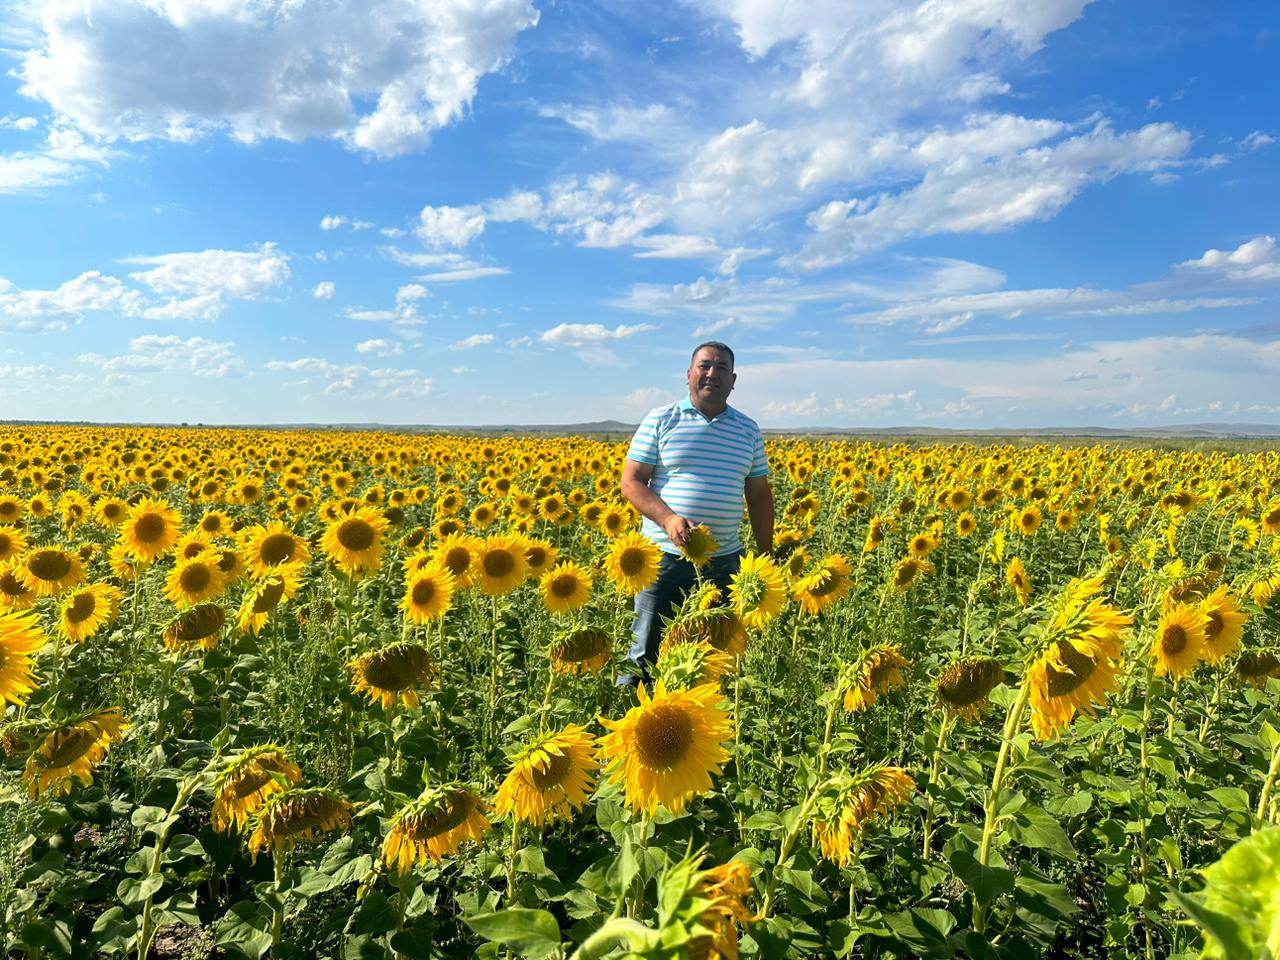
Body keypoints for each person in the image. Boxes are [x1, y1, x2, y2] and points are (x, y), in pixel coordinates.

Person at [618, 341, 774, 686]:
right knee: (647, 648)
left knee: (713, 651)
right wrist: (669, 519)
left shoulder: (747, 429)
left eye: (721, 369)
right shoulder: (662, 419)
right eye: (704, 366)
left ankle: (698, 725)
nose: (712, 374)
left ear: (733, 380)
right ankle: (631, 722)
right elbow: (631, 482)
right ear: (689, 374)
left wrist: (765, 554)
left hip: (724, 560)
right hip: (664, 556)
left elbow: (759, 494)